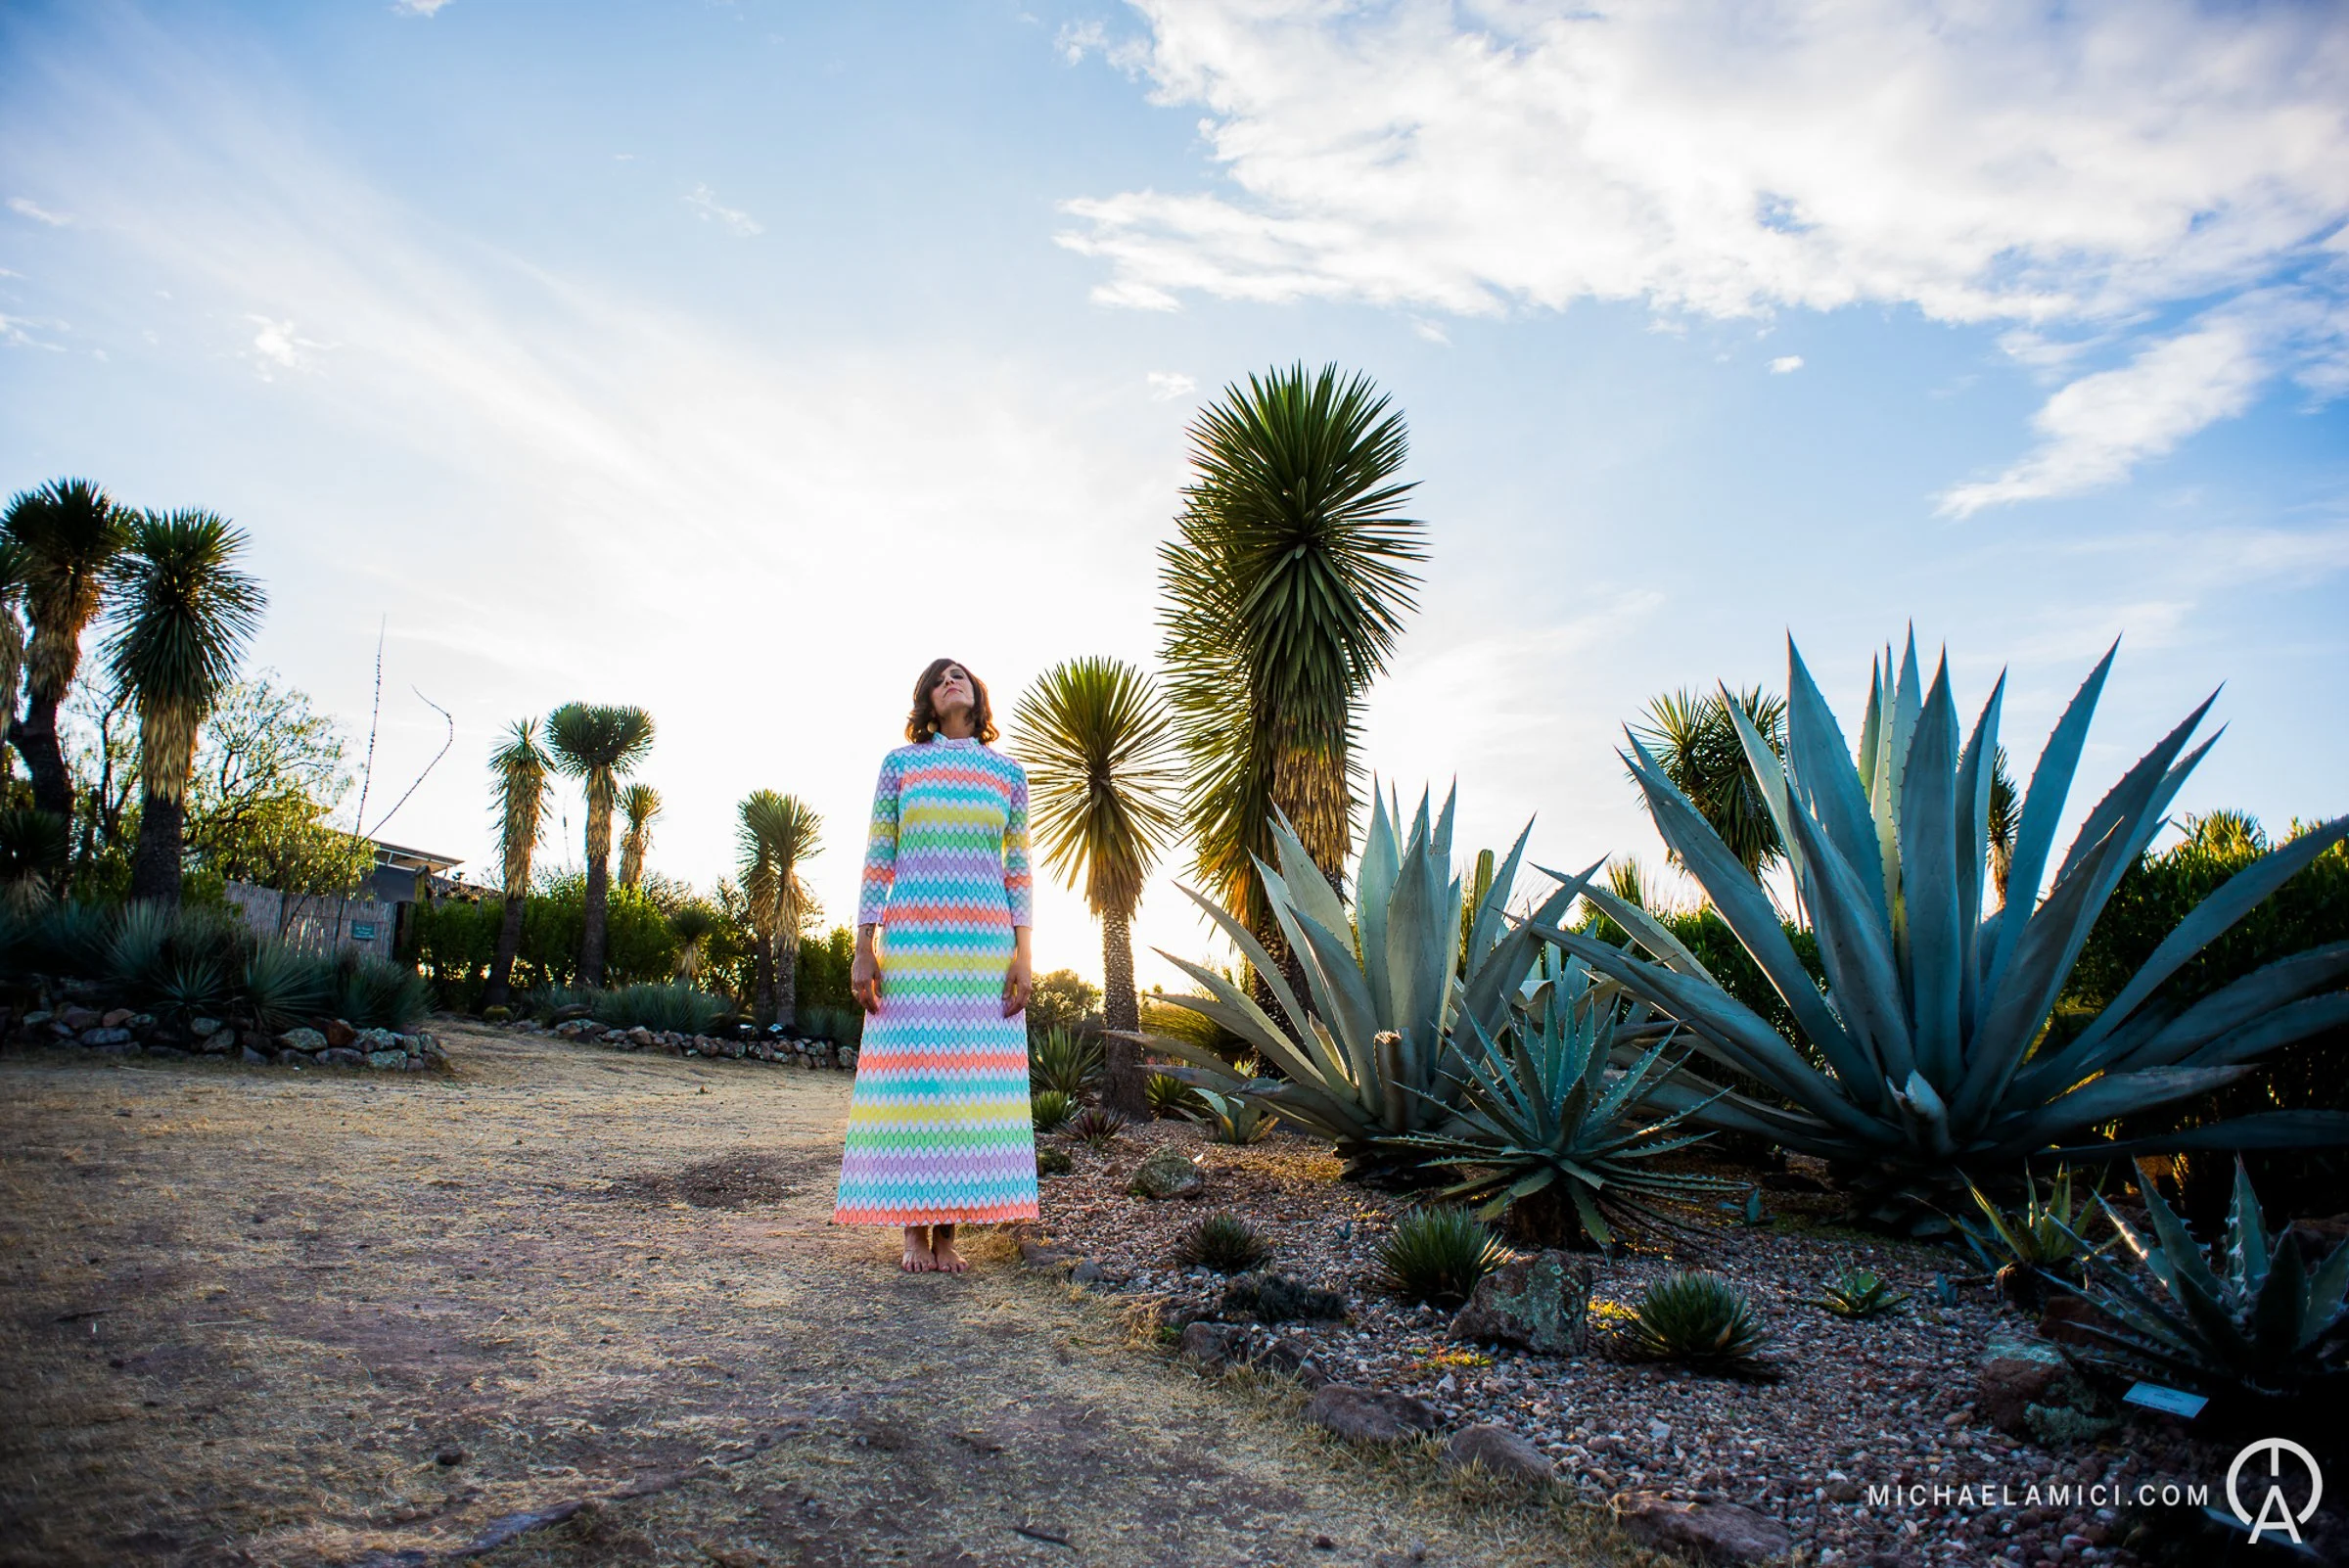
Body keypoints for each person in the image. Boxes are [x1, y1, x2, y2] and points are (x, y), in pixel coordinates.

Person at [831, 657, 1038, 1271]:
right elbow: (878, 857)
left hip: (983, 951)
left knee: (968, 1091)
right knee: (914, 1085)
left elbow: (1019, 872)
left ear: (978, 695)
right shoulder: (902, 765)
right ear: (926, 698)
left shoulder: (1009, 774)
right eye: (940, 676)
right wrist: (863, 946)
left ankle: (948, 1233)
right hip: (915, 946)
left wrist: (1024, 958)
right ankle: (911, 1231)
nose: (953, 679)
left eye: (962, 674)